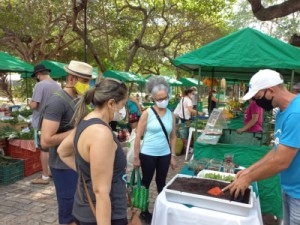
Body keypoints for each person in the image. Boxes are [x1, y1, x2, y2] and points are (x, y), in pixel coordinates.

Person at [223, 69, 300, 225]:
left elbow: (281, 161)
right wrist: (248, 170)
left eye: (258, 98)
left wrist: (249, 178)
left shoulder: (296, 114)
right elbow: (276, 150)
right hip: (289, 188)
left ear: (270, 91)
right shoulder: (282, 112)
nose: (258, 103)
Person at [57, 78, 128, 225]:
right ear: (111, 103)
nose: (123, 110)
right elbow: (101, 192)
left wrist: (89, 173)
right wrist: (92, 176)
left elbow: (63, 151)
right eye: (123, 104)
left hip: (85, 208)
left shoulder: (86, 121)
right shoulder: (101, 133)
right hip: (102, 215)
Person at [40, 60, 92, 225]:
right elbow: (46, 140)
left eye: (88, 81)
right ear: (71, 79)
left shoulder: (78, 99)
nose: (87, 85)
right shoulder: (57, 102)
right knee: (68, 212)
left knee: (80, 209)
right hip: (62, 166)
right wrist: (78, 131)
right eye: (84, 81)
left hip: (77, 162)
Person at [133, 76, 177, 223]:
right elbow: (138, 135)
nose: (163, 100)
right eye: (159, 99)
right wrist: (136, 157)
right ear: (153, 99)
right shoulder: (147, 113)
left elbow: (173, 136)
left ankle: (161, 210)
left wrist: (173, 155)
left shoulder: (171, 115)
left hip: (164, 155)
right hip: (147, 154)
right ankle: (144, 211)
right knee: (146, 182)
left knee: (161, 182)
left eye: (165, 97)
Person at [30, 64, 61, 185]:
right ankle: (52, 171)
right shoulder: (57, 85)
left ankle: (44, 176)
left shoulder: (40, 85)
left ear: (38, 75)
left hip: (42, 121)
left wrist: (30, 103)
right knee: (53, 148)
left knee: (44, 149)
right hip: (56, 121)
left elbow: (35, 105)